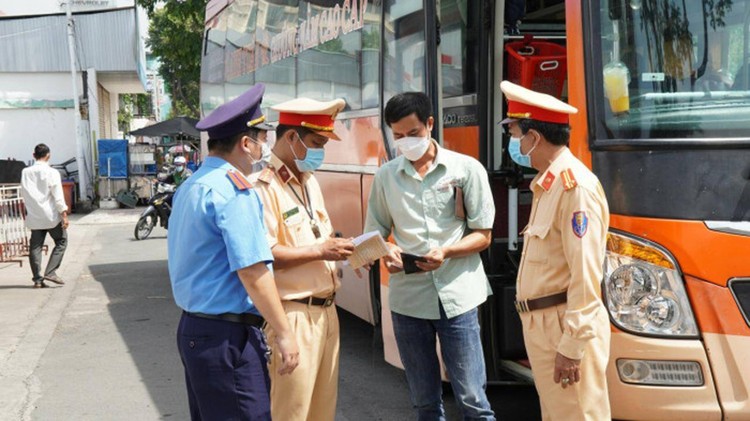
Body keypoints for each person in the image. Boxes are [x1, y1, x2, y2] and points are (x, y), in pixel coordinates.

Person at [168, 83, 299, 420]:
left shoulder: (191, 186)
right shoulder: (235, 192)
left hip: (195, 330)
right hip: (228, 339)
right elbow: (253, 272)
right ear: (246, 143)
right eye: (261, 140)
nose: (264, 148)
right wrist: (284, 333)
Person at [363, 92, 496, 420]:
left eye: (413, 134)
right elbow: (374, 234)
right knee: (424, 402)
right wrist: (386, 252)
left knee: (472, 399)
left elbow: (484, 235)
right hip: (408, 302)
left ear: (430, 125)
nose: (405, 142)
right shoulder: (386, 177)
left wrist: (447, 251)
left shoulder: (466, 170)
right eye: (397, 136)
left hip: (458, 297)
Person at [499, 80, 611, 420]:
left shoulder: (573, 188)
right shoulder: (548, 184)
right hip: (547, 324)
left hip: (564, 324)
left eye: (517, 134)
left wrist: (572, 345)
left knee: (577, 414)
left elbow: (587, 273)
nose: (515, 143)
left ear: (536, 136)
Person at [253, 97, 355, 421]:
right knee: (290, 413)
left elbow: (318, 238)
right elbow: (264, 254)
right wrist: (321, 251)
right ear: (291, 138)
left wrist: (344, 249)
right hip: (293, 314)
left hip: (327, 313)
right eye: (316, 143)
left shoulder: (309, 183)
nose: (321, 152)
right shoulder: (263, 188)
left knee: (322, 413)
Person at [20, 143, 69, 289]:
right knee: (61, 241)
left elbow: (24, 192)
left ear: (33, 156)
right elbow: (58, 197)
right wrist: (64, 215)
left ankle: (37, 280)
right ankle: (51, 272)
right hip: (51, 215)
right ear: (48, 155)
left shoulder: (25, 172)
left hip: (34, 215)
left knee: (35, 247)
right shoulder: (52, 172)